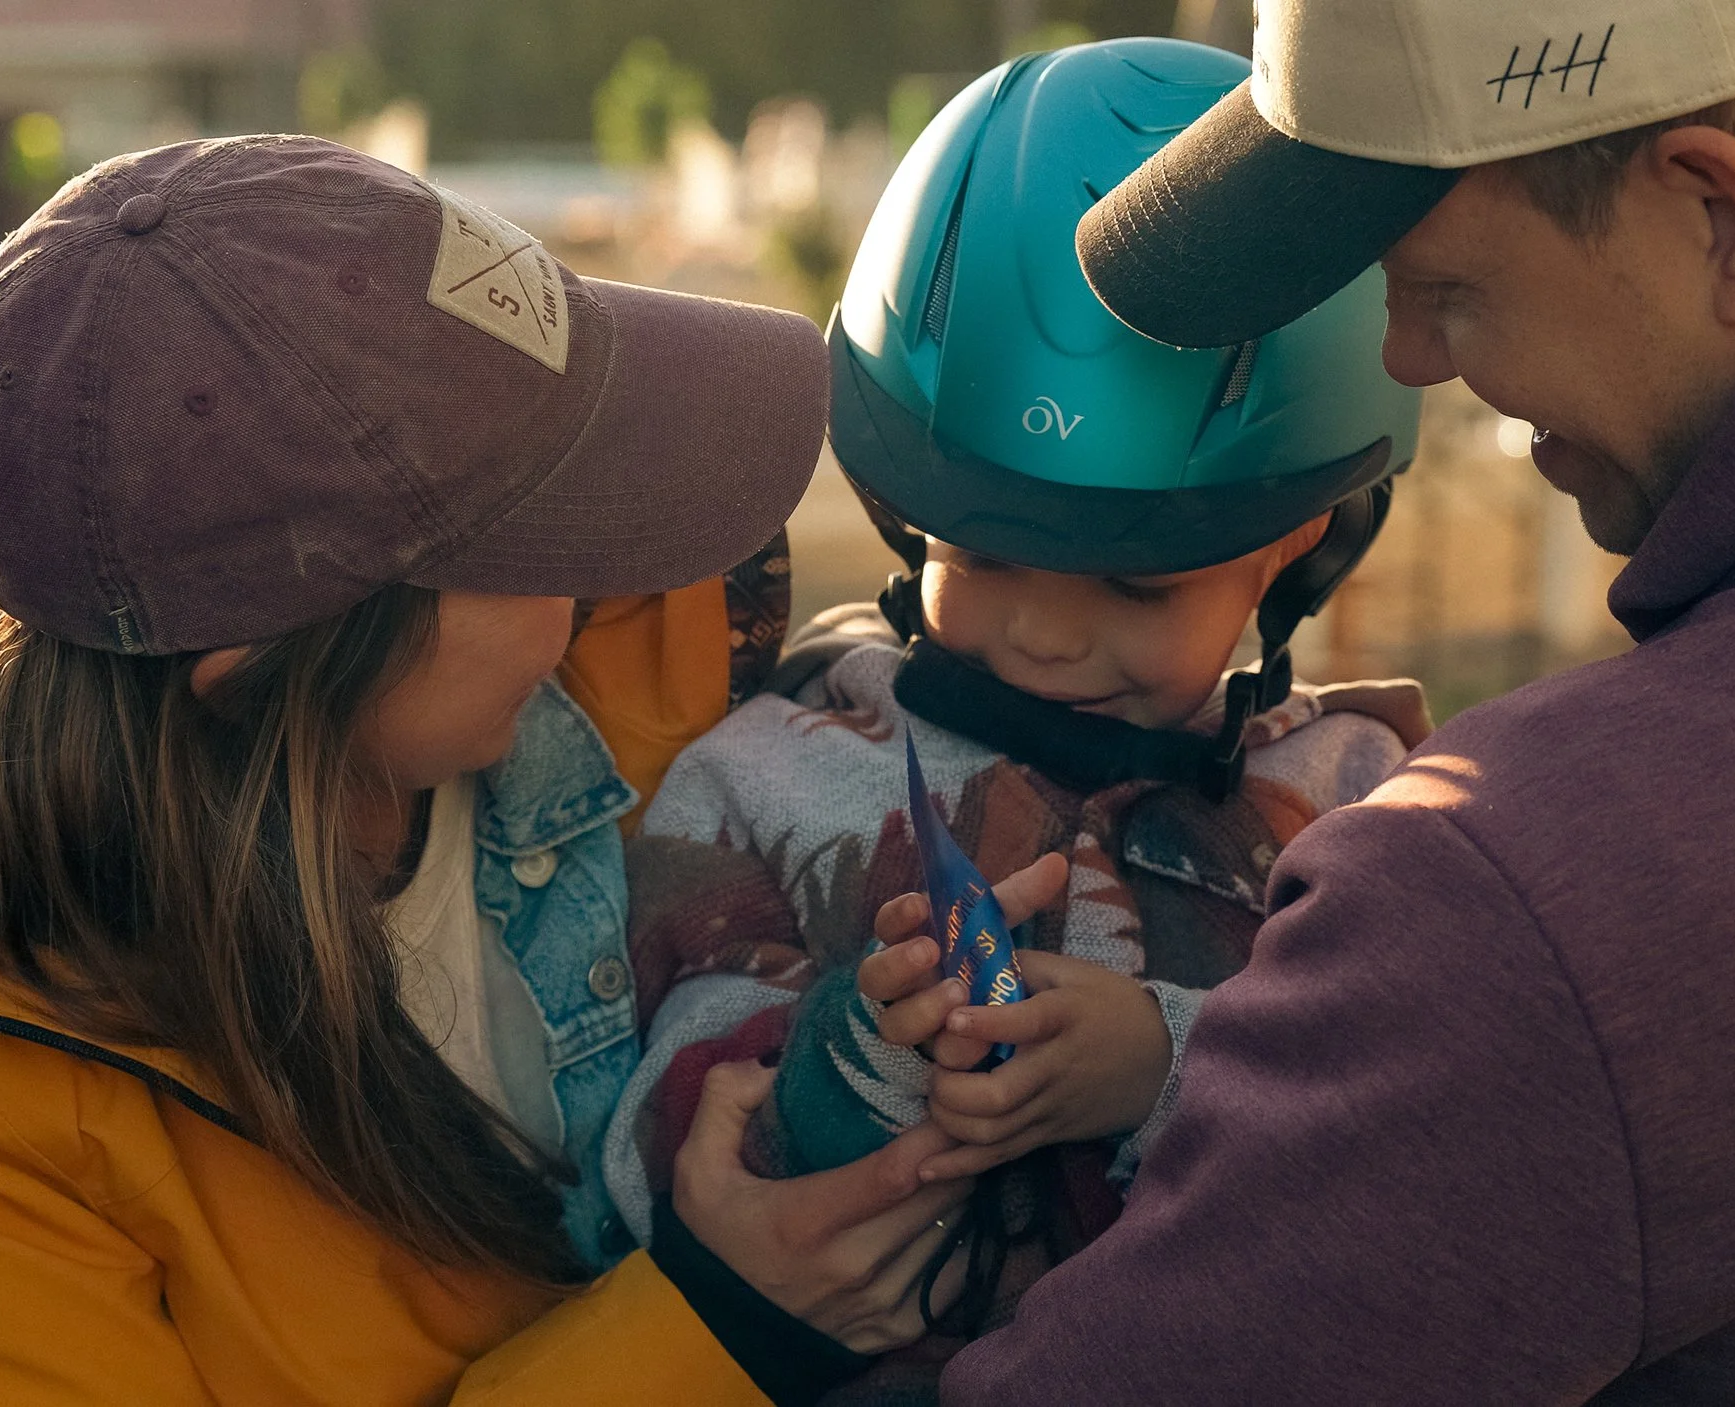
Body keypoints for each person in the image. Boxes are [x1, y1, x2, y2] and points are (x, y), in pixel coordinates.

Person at [947, 0, 1735, 1400]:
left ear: (1718, 218)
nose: (1407, 357)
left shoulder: (1529, 902)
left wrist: (720, 1311)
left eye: (1444, 286)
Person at [0, 136, 968, 1405]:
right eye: (541, 535)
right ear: (268, 680)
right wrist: (718, 1332)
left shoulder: (628, 658)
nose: (612, 572)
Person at [594, 40, 1430, 1399]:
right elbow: (648, 1143)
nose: (1045, 632)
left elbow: (1427, 1122)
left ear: (1295, 548)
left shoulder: (1357, 807)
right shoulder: (767, 772)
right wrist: (854, 1056)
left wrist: (1166, 1061)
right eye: (980, 557)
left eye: (1138, 584)